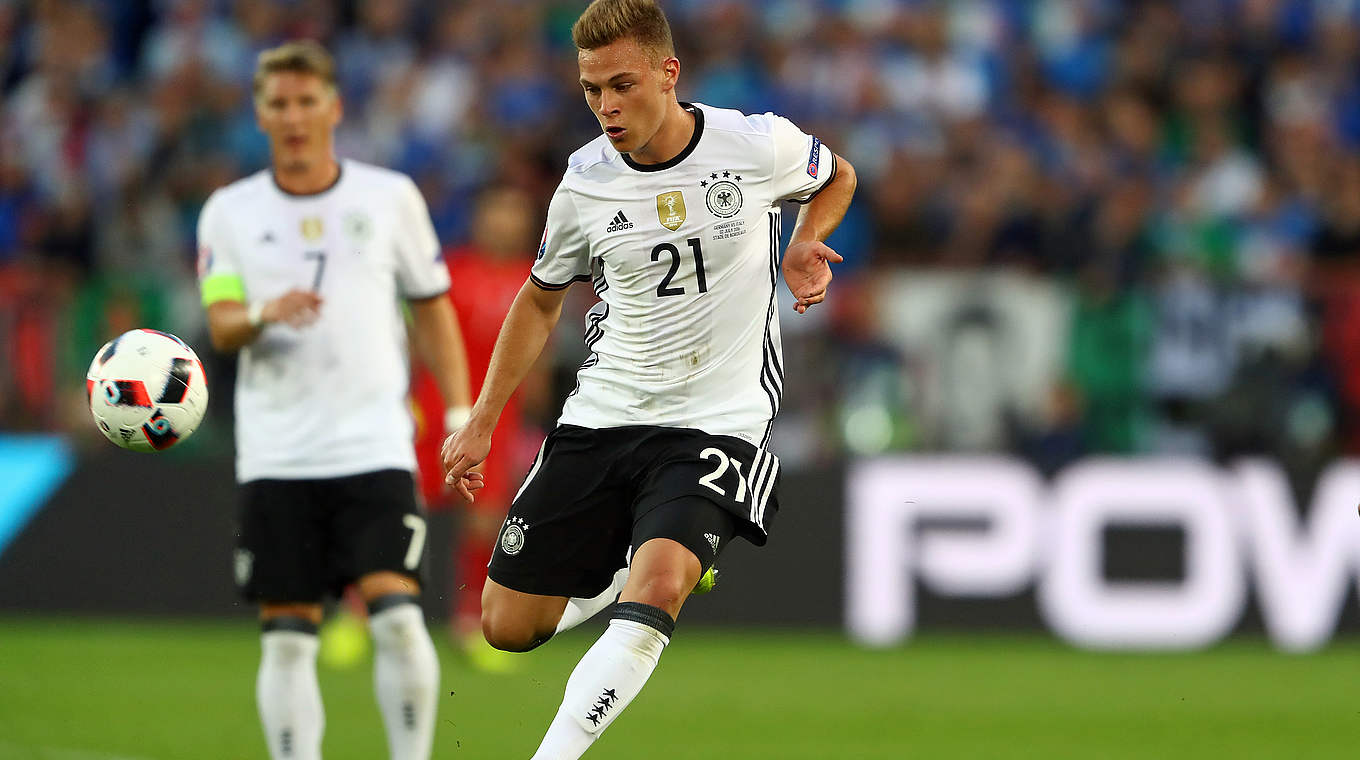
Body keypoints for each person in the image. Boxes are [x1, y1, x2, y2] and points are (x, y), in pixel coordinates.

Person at [440, 1, 857, 757]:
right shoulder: (585, 182)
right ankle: (632, 567)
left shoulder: (754, 144)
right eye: (592, 89)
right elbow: (539, 299)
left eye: (622, 85)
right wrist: (482, 418)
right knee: (507, 627)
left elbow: (837, 175)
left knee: (660, 584)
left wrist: (806, 241)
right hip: (605, 411)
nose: (606, 106)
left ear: (669, 74)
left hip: (718, 416)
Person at [196, 40, 473, 760]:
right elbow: (221, 322)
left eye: (306, 101)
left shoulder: (388, 199)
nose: (293, 116)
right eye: (279, 104)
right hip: (277, 454)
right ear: (259, 113)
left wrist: (457, 412)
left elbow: (433, 307)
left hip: (373, 445)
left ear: (334, 107)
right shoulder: (228, 212)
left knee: (398, 619)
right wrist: (263, 312)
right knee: (288, 639)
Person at [410, 185, 548, 669]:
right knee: (400, 507)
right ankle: (360, 613)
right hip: (433, 408)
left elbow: (541, 356)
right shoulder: (451, 268)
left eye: (513, 213)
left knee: (485, 523)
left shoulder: (534, 277)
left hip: (498, 420)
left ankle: (470, 621)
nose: (503, 223)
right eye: (496, 211)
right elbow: (419, 333)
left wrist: (534, 416)